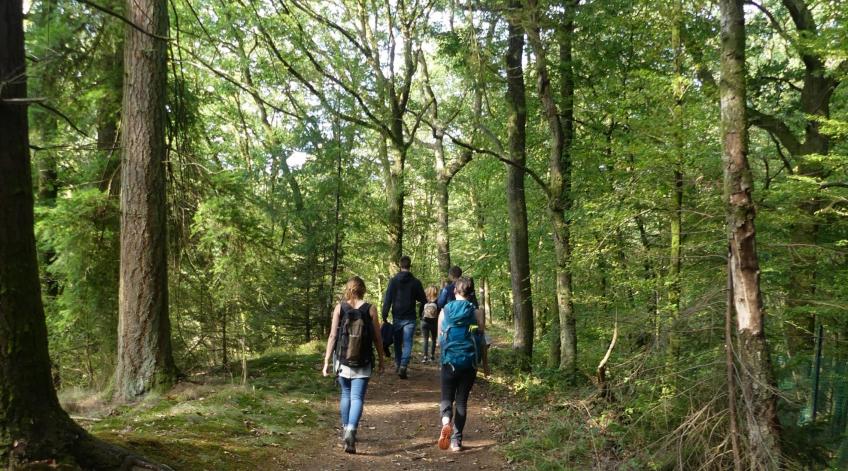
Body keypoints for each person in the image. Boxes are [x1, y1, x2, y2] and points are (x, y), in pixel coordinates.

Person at [323, 276, 385, 454]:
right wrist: (381, 360)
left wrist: (327, 360)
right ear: (363, 289)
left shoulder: (340, 307)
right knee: (357, 397)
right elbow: (377, 338)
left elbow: (333, 336)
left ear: (348, 289)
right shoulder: (370, 308)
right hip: (363, 360)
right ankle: (351, 429)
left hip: (342, 359)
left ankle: (345, 429)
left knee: (346, 394)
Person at [437, 277, 485, 452]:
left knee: (446, 397)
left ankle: (446, 421)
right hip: (469, 362)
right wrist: (484, 365)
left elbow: (438, 341)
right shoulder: (477, 312)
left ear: (455, 291)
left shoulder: (444, 311)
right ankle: (456, 441)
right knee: (462, 401)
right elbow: (481, 340)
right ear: (471, 293)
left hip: (449, 361)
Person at [382, 255, 426, 379]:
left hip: (397, 316)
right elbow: (423, 299)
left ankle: (398, 364)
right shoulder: (415, 282)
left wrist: (384, 314)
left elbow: (388, 299)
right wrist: (420, 311)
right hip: (410, 317)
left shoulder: (393, 281)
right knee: (407, 343)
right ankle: (403, 365)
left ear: (400, 266)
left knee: (397, 342)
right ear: (409, 265)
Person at [421, 285, 440, 363]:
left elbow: (420, 311)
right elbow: (439, 311)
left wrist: (421, 318)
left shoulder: (425, 300)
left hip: (424, 322)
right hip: (434, 322)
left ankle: (425, 357)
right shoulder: (438, 301)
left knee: (425, 339)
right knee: (433, 339)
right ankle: (432, 356)